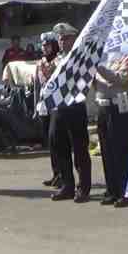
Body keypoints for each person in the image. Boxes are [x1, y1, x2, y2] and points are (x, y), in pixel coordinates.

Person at [49, 22, 92, 203]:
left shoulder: (80, 57)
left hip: (75, 105)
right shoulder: (57, 59)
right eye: (60, 38)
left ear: (74, 39)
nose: (62, 41)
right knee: (58, 144)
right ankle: (67, 184)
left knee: (79, 148)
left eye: (66, 38)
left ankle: (83, 187)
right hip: (59, 107)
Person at [94, 50, 128, 207]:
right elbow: (99, 81)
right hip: (103, 106)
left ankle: (126, 192)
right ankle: (112, 190)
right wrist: (106, 76)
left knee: (122, 150)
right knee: (107, 151)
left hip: (120, 107)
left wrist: (100, 70)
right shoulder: (104, 56)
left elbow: (120, 79)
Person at [34, 32, 61, 187]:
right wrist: (35, 105)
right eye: (43, 45)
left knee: (57, 140)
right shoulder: (40, 63)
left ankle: (63, 174)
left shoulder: (59, 61)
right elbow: (37, 85)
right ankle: (55, 173)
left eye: (47, 45)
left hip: (56, 104)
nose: (44, 48)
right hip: (44, 105)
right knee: (50, 141)